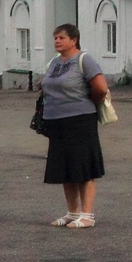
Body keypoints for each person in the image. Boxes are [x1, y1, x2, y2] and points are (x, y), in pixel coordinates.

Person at [40, 23, 110, 228]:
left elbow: (100, 88)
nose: (57, 41)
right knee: (64, 168)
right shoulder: (53, 62)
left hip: (80, 120)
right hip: (57, 121)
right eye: (55, 38)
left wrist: (85, 102)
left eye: (61, 37)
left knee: (83, 167)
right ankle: (72, 212)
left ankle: (87, 215)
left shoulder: (84, 60)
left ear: (73, 40)